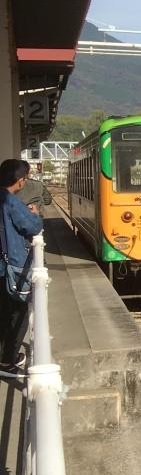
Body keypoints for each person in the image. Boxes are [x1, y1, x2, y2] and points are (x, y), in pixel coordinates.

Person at [1, 159, 44, 373]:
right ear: (20, 181)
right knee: (17, 314)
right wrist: (34, 213)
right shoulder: (10, 201)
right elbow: (32, 226)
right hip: (9, 268)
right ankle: (7, 361)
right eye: (25, 179)